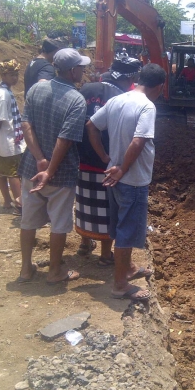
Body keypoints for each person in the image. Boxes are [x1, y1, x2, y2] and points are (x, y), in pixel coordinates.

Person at [87, 63, 167, 301]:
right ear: (160, 86)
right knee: (126, 231)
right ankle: (120, 285)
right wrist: (122, 167)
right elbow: (138, 141)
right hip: (132, 180)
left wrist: (105, 157)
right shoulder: (147, 106)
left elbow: (91, 126)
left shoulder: (117, 100)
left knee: (119, 224)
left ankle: (129, 268)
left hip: (115, 176)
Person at [18, 48, 90, 285]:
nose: (83, 70)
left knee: (27, 221)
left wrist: (39, 159)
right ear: (72, 71)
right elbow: (65, 139)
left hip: (31, 168)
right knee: (59, 223)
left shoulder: (36, 88)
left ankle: (26, 269)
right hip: (60, 175)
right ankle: (54, 272)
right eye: (81, 67)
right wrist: (49, 170)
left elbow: (26, 124)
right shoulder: (76, 100)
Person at [75, 57, 142, 266]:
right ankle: (105, 255)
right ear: (131, 77)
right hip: (108, 164)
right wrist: (108, 157)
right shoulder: (122, 97)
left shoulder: (86, 89)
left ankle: (85, 244)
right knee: (107, 210)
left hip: (82, 158)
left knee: (84, 203)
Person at [0, 59, 26, 214]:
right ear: (3, 75)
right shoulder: (3, 95)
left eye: (16, 74)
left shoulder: (6, 91)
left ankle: (7, 201)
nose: (15, 78)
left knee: (2, 170)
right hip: (7, 139)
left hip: (10, 137)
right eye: (12, 75)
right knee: (13, 173)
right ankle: (20, 205)